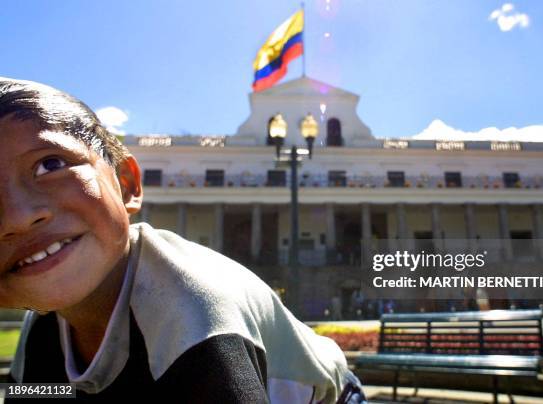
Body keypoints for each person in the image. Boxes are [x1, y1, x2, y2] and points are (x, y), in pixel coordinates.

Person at [0, 77, 366, 403]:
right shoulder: (43, 325)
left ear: (127, 184)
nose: (16, 216)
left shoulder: (197, 316)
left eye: (50, 165)